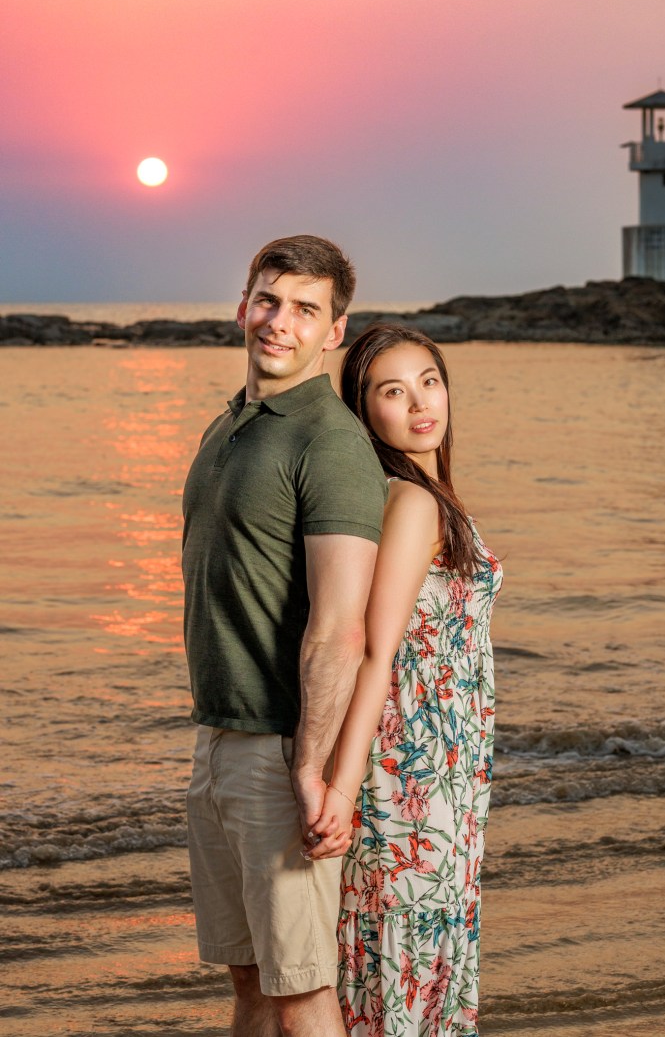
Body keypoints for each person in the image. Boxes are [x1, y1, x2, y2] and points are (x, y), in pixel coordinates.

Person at [181, 236, 388, 1037]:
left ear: (333, 332)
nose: (279, 321)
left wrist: (310, 767)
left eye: (305, 309)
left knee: (300, 987)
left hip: (279, 752)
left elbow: (339, 628)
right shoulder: (232, 422)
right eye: (268, 299)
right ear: (243, 305)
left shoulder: (328, 442)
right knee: (249, 978)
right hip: (218, 736)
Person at [308, 324, 502, 1037]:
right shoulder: (412, 503)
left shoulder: (425, 494)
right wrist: (340, 788)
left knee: (418, 951)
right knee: (407, 956)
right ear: (364, 412)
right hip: (411, 774)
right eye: (393, 391)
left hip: (444, 770)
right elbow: (374, 652)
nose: (421, 403)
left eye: (429, 381)